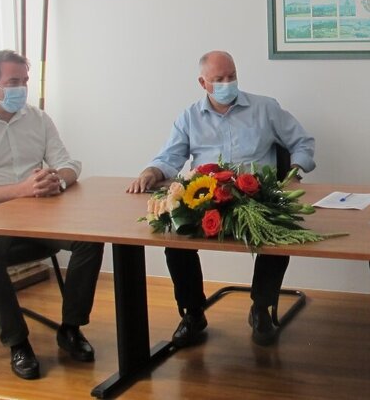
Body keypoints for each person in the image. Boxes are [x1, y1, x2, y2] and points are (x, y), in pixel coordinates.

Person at [126, 50, 316, 347]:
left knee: (280, 230)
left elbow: (302, 142)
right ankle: (193, 313)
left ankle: (261, 307)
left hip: (256, 196)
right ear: (203, 83)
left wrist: (293, 171)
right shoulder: (189, 117)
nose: (228, 83)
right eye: (219, 79)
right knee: (174, 238)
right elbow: (169, 157)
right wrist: (151, 171)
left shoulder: (265, 108)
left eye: (232, 76)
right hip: (206, 199)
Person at [0, 50, 104, 381]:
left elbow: (69, 164)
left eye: (25, 81)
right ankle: (18, 343)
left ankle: (71, 328)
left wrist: (57, 180)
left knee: (89, 239)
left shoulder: (38, 118)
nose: (21, 88)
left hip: (36, 208)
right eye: (12, 82)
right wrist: (22, 189)